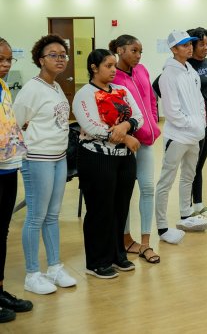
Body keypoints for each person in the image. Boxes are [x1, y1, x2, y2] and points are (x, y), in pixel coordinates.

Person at [13, 35, 76, 294]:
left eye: (63, 55)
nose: (60, 59)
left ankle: (54, 267)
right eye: (53, 55)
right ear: (41, 60)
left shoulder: (56, 86)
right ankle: (32, 274)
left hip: (58, 157)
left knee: (52, 216)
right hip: (38, 159)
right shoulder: (32, 89)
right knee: (36, 217)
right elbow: (13, 124)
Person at [72, 49, 143, 279]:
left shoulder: (121, 90)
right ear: (94, 68)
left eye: (114, 65)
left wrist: (125, 126)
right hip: (96, 158)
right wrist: (127, 137)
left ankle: (116, 254)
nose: (113, 70)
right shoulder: (85, 94)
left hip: (124, 159)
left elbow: (138, 117)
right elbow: (92, 127)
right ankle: (96, 261)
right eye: (108, 66)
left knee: (120, 208)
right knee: (100, 210)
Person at [111, 35, 161, 263]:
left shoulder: (141, 70)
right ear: (120, 50)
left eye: (140, 51)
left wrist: (153, 122)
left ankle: (146, 243)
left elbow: (151, 98)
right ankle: (125, 238)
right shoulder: (113, 76)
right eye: (134, 50)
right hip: (125, 143)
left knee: (148, 188)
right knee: (125, 192)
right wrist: (125, 136)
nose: (138, 56)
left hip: (146, 141)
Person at [155, 30, 207, 243]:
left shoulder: (191, 71)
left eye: (190, 44)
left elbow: (199, 101)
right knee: (166, 181)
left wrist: (201, 123)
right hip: (177, 137)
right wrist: (193, 125)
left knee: (189, 175)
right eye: (184, 45)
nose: (189, 48)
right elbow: (172, 112)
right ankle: (162, 227)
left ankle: (186, 215)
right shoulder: (168, 75)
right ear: (173, 49)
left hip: (194, 135)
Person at [0, 37, 33, 322]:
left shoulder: (3, 86)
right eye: (0, 59)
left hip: (8, 167)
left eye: (9, 59)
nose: (6, 64)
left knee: (2, 231)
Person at [186, 27, 207, 220]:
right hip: (193, 120)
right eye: (201, 44)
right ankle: (187, 208)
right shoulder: (185, 65)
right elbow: (159, 86)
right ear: (191, 45)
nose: (205, 48)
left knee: (199, 164)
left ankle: (198, 204)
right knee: (191, 165)